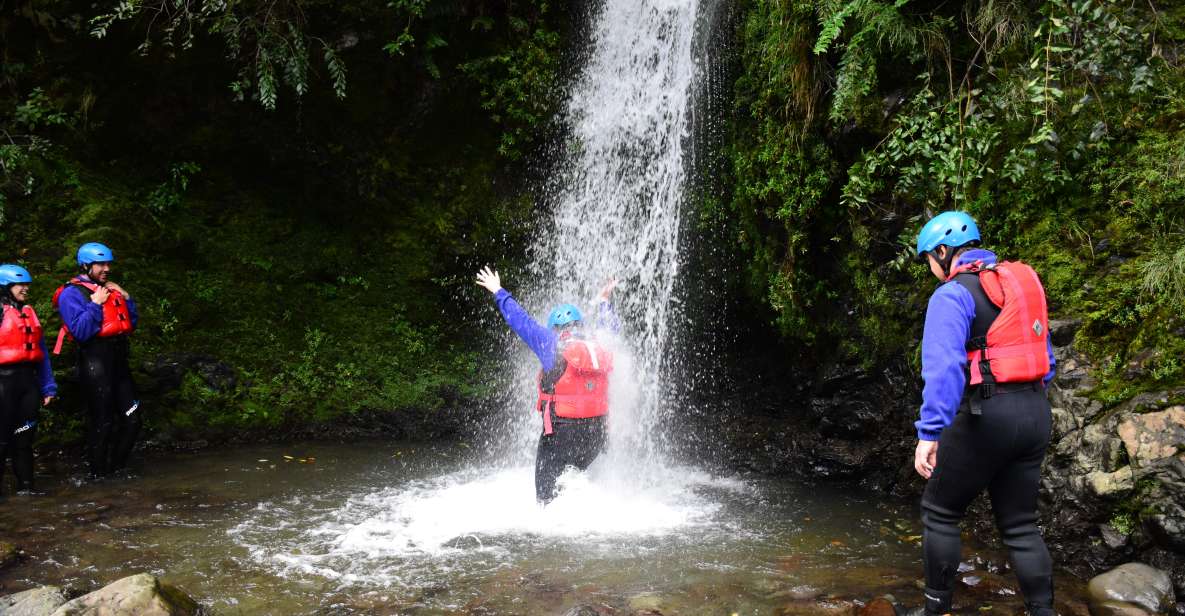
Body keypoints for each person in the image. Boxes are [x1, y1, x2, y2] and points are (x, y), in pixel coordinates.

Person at [911, 211, 1057, 616]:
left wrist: (930, 433)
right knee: (1021, 524)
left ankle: (934, 610)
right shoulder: (1022, 285)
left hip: (987, 415)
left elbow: (943, 370)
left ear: (943, 251)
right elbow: (1046, 356)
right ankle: (1043, 611)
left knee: (940, 512)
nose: (932, 269)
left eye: (929, 259)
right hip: (1034, 412)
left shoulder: (952, 294)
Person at [475, 266, 618, 504]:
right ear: (579, 325)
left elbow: (521, 321)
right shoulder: (600, 343)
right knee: (575, 482)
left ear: (555, 329)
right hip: (597, 434)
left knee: (546, 499)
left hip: (562, 434)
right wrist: (604, 300)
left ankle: (549, 528)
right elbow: (611, 326)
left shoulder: (550, 343)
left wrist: (498, 290)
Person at [53, 242, 140, 478]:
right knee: (102, 422)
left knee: (133, 420)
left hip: (118, 361)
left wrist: (126, 296)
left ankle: (117, 470)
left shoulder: (110, 288)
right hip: (95, 362)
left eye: (108, 263)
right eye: (101, 264)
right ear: (86, 265)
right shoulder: (72, 293)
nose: (107, 268)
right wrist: (95, 304)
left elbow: (130, 322)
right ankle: (98, 478)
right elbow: (81, 331)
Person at [0, 264, 57, 496]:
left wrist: (48, 386)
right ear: (5, 287)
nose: (26, 289)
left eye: (27, 285)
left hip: (28, 384)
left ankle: (27, 489)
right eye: (20, 285)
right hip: (3, 383)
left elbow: (41, 354)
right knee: (2, 441)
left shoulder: (28, 313)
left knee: (24, 440)